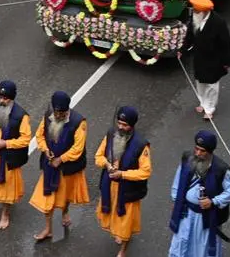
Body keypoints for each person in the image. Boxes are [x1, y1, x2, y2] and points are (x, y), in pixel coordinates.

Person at [30, 91, 90, 240]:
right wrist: (45, 150)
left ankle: (65, 211)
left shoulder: (79, 122)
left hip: (68, 168)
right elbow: (39, 135)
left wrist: (61, 159)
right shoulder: (48, 115)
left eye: (62, 113)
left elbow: (78, 148)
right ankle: (48, 229)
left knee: (66, 196)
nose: (58, 116)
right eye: (57, 113)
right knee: (47, 198)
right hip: (50, 166)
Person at [168, 131, 230, 257]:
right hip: (186, 213)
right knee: (181, 243)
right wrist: (175, 200)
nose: (198, 153)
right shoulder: (187, 158)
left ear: (210, 152)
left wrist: (213, 201)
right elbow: (178, 180)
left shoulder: (221, 169)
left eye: (202, 151)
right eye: (197, 149)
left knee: (201, 249)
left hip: (205, 218)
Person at [95, 106, 152, 257]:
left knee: (125, 221)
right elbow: (98, 156)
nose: (120, 127)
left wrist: (122, 174)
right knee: (113, 215)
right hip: (110, 185)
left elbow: (145, 171)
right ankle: (117, 232)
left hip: (127, 189)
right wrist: (107, 164)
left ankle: (123, 250)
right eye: (119, 123)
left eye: (125, 125)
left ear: (132, 126)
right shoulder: (110, 134)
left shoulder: (141, 145)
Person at [0, 80, 32, 230]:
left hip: (9, 160)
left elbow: (25, 138)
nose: (2, 101)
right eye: (1, 97)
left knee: (8, 189)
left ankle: (5, 213)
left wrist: (6, 144)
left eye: (6, 98)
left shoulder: (22, 116)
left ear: (12, 98)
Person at [181, 0, 230, 120]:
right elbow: (189, 36)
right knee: (200, 81)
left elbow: (226, 43)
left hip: (214, 59)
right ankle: (203, 103)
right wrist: (182, 50)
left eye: (196, 11)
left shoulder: (218, 22)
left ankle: (210, 108)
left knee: (211, 85)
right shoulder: (194, 18)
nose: (193, 13)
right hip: (199, 57)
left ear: (203, 12)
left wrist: (227, 62)